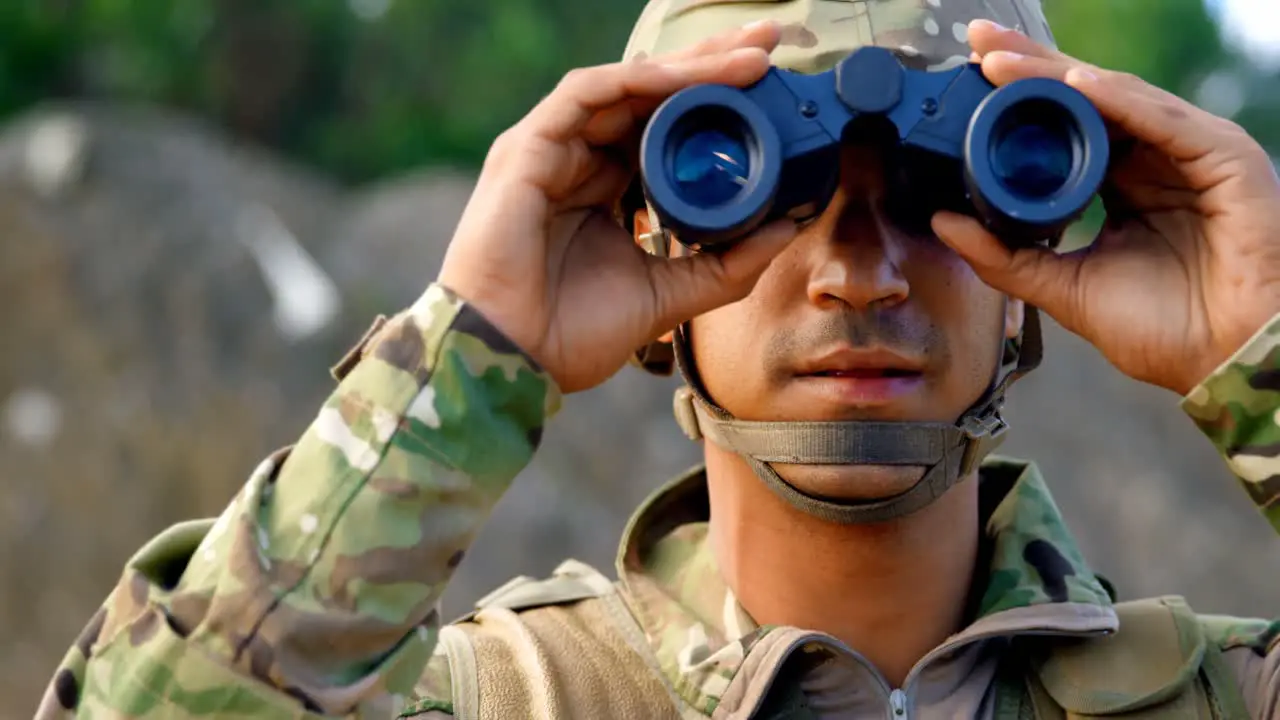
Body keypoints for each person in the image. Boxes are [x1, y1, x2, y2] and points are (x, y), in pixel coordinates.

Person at [37, 0, 1280, 717]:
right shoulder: (494, 701)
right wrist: (471, 352)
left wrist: (1260, 341)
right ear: (651, 243)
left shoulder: (1217, 697)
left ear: (1032, 282)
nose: (859, 270)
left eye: (938, 189)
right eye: (761, 188)